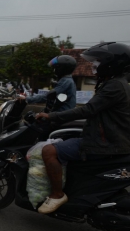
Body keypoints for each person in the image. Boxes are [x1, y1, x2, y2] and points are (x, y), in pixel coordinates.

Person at [36, 42, 130, 214]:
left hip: (105, 143)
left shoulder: (114, 86)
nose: (93, 64)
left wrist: (51, 116)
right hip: (112, 138)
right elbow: (97, 114)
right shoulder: (118, 83)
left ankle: (57, 194)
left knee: (49, 151)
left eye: (98, 61)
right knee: (64, 138)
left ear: (112, 63)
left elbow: (88, 110)